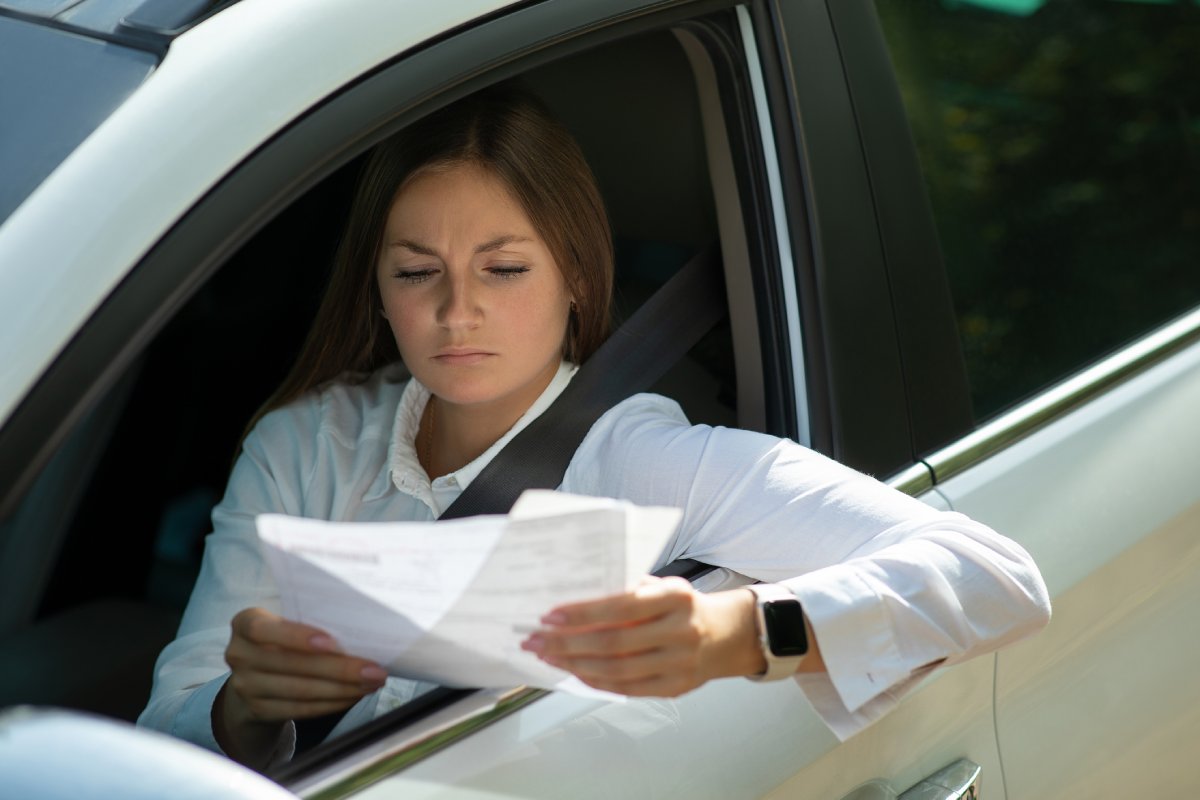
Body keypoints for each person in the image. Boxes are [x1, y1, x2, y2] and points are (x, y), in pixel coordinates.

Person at [138, 86, 1051, 770]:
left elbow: (996, 575)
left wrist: (730, 634)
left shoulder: (644, 458)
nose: (458, 312)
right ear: (376, 288)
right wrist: (246, 708)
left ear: (576, 274)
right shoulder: (305, 445)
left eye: (502, 270)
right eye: (418, 273)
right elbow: (170, 722)